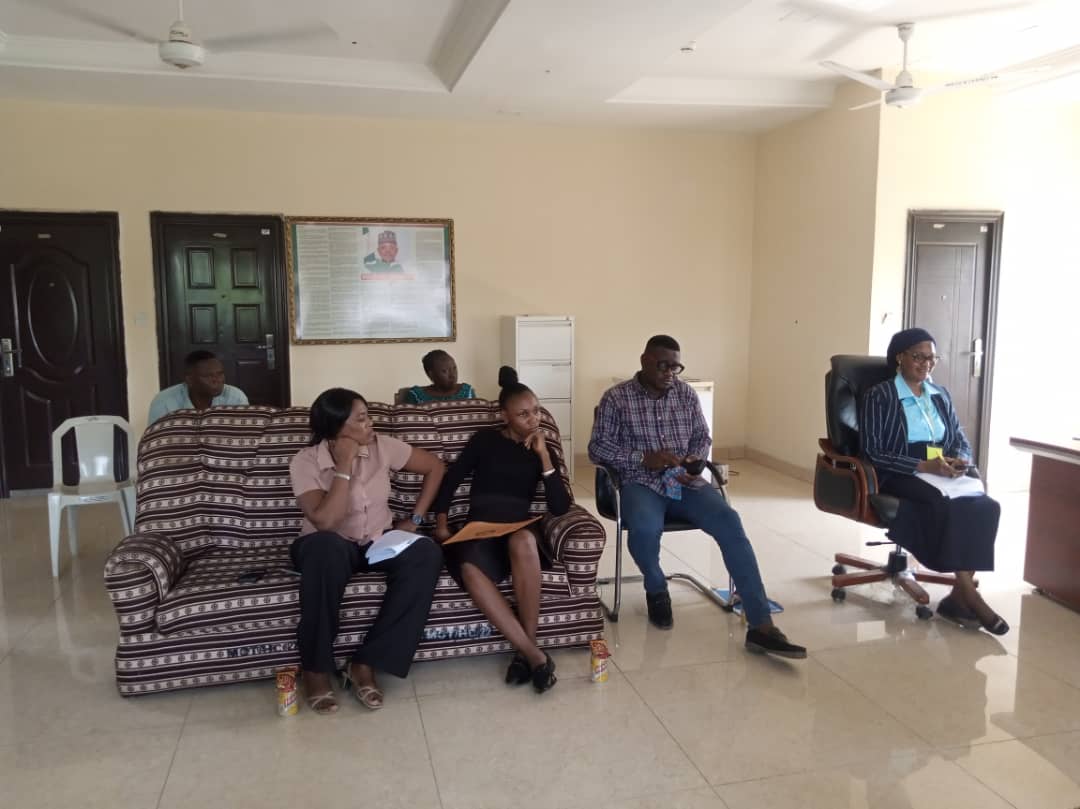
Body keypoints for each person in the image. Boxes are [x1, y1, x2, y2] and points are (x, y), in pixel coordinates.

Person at [588, 335, 805, 659]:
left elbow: (702, 437)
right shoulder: (616, 398)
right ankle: (656, 587)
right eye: (663, 365)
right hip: (640, 483)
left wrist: (696, 460)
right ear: (644, 360)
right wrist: (642, 458)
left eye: (675, 367)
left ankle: (761, 625)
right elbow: (597, 448)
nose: (669, 373)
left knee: (730, 521)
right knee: (645, 529)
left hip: (684, 482)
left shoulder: (686, 394)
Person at [289, 387, 445, 714]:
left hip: (376, 541)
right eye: (361, 419)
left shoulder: (382, 446)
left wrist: (416, 520)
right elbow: (326, 522)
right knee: (326, 548)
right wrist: (344, 464)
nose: (370, 423)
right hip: (325, 545)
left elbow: (435, 466)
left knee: (426, 553)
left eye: (368, 416)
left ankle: (365, 662)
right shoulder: (305, 461)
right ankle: (315, 670)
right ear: (337, 429)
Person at [861, 327, 1007, 635]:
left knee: (986, 506)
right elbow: (873, 451)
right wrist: (922, 464)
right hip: (901, 470)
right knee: (946, 505)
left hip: (940, 468)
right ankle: (969, 595)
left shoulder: (939, 394)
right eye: (918, 357)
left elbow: (959, 438)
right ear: (900, 357)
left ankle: (958, 596)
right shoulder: (881, 395)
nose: (926, 364)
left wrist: (960, 460)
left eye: (932, 358)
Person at [432, 367, 569, 692]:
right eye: (523, 414)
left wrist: (544, 456)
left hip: (516, 527)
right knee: (468, 567)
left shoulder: (542, 449)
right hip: (480, 528)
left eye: (536, 411)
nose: (533, 419)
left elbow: (560, 506)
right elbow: (451, 479)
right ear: (504, 415)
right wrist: (441, 523)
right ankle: (534, 656)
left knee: (524, 540)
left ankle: (527, 653)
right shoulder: (485, 440)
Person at [147, 350, 248, 425]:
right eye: (208, 376)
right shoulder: (164, 402)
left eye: (220, 374)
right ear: (189, 380)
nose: (217, 380)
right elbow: (155, 441)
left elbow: (244, 436)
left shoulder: (236, 398)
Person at [404, 350, 476, 403]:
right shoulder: (416, 395)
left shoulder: (467, 392)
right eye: (445, 371)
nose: (452, 375)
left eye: (454, 368)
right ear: (431, 375)